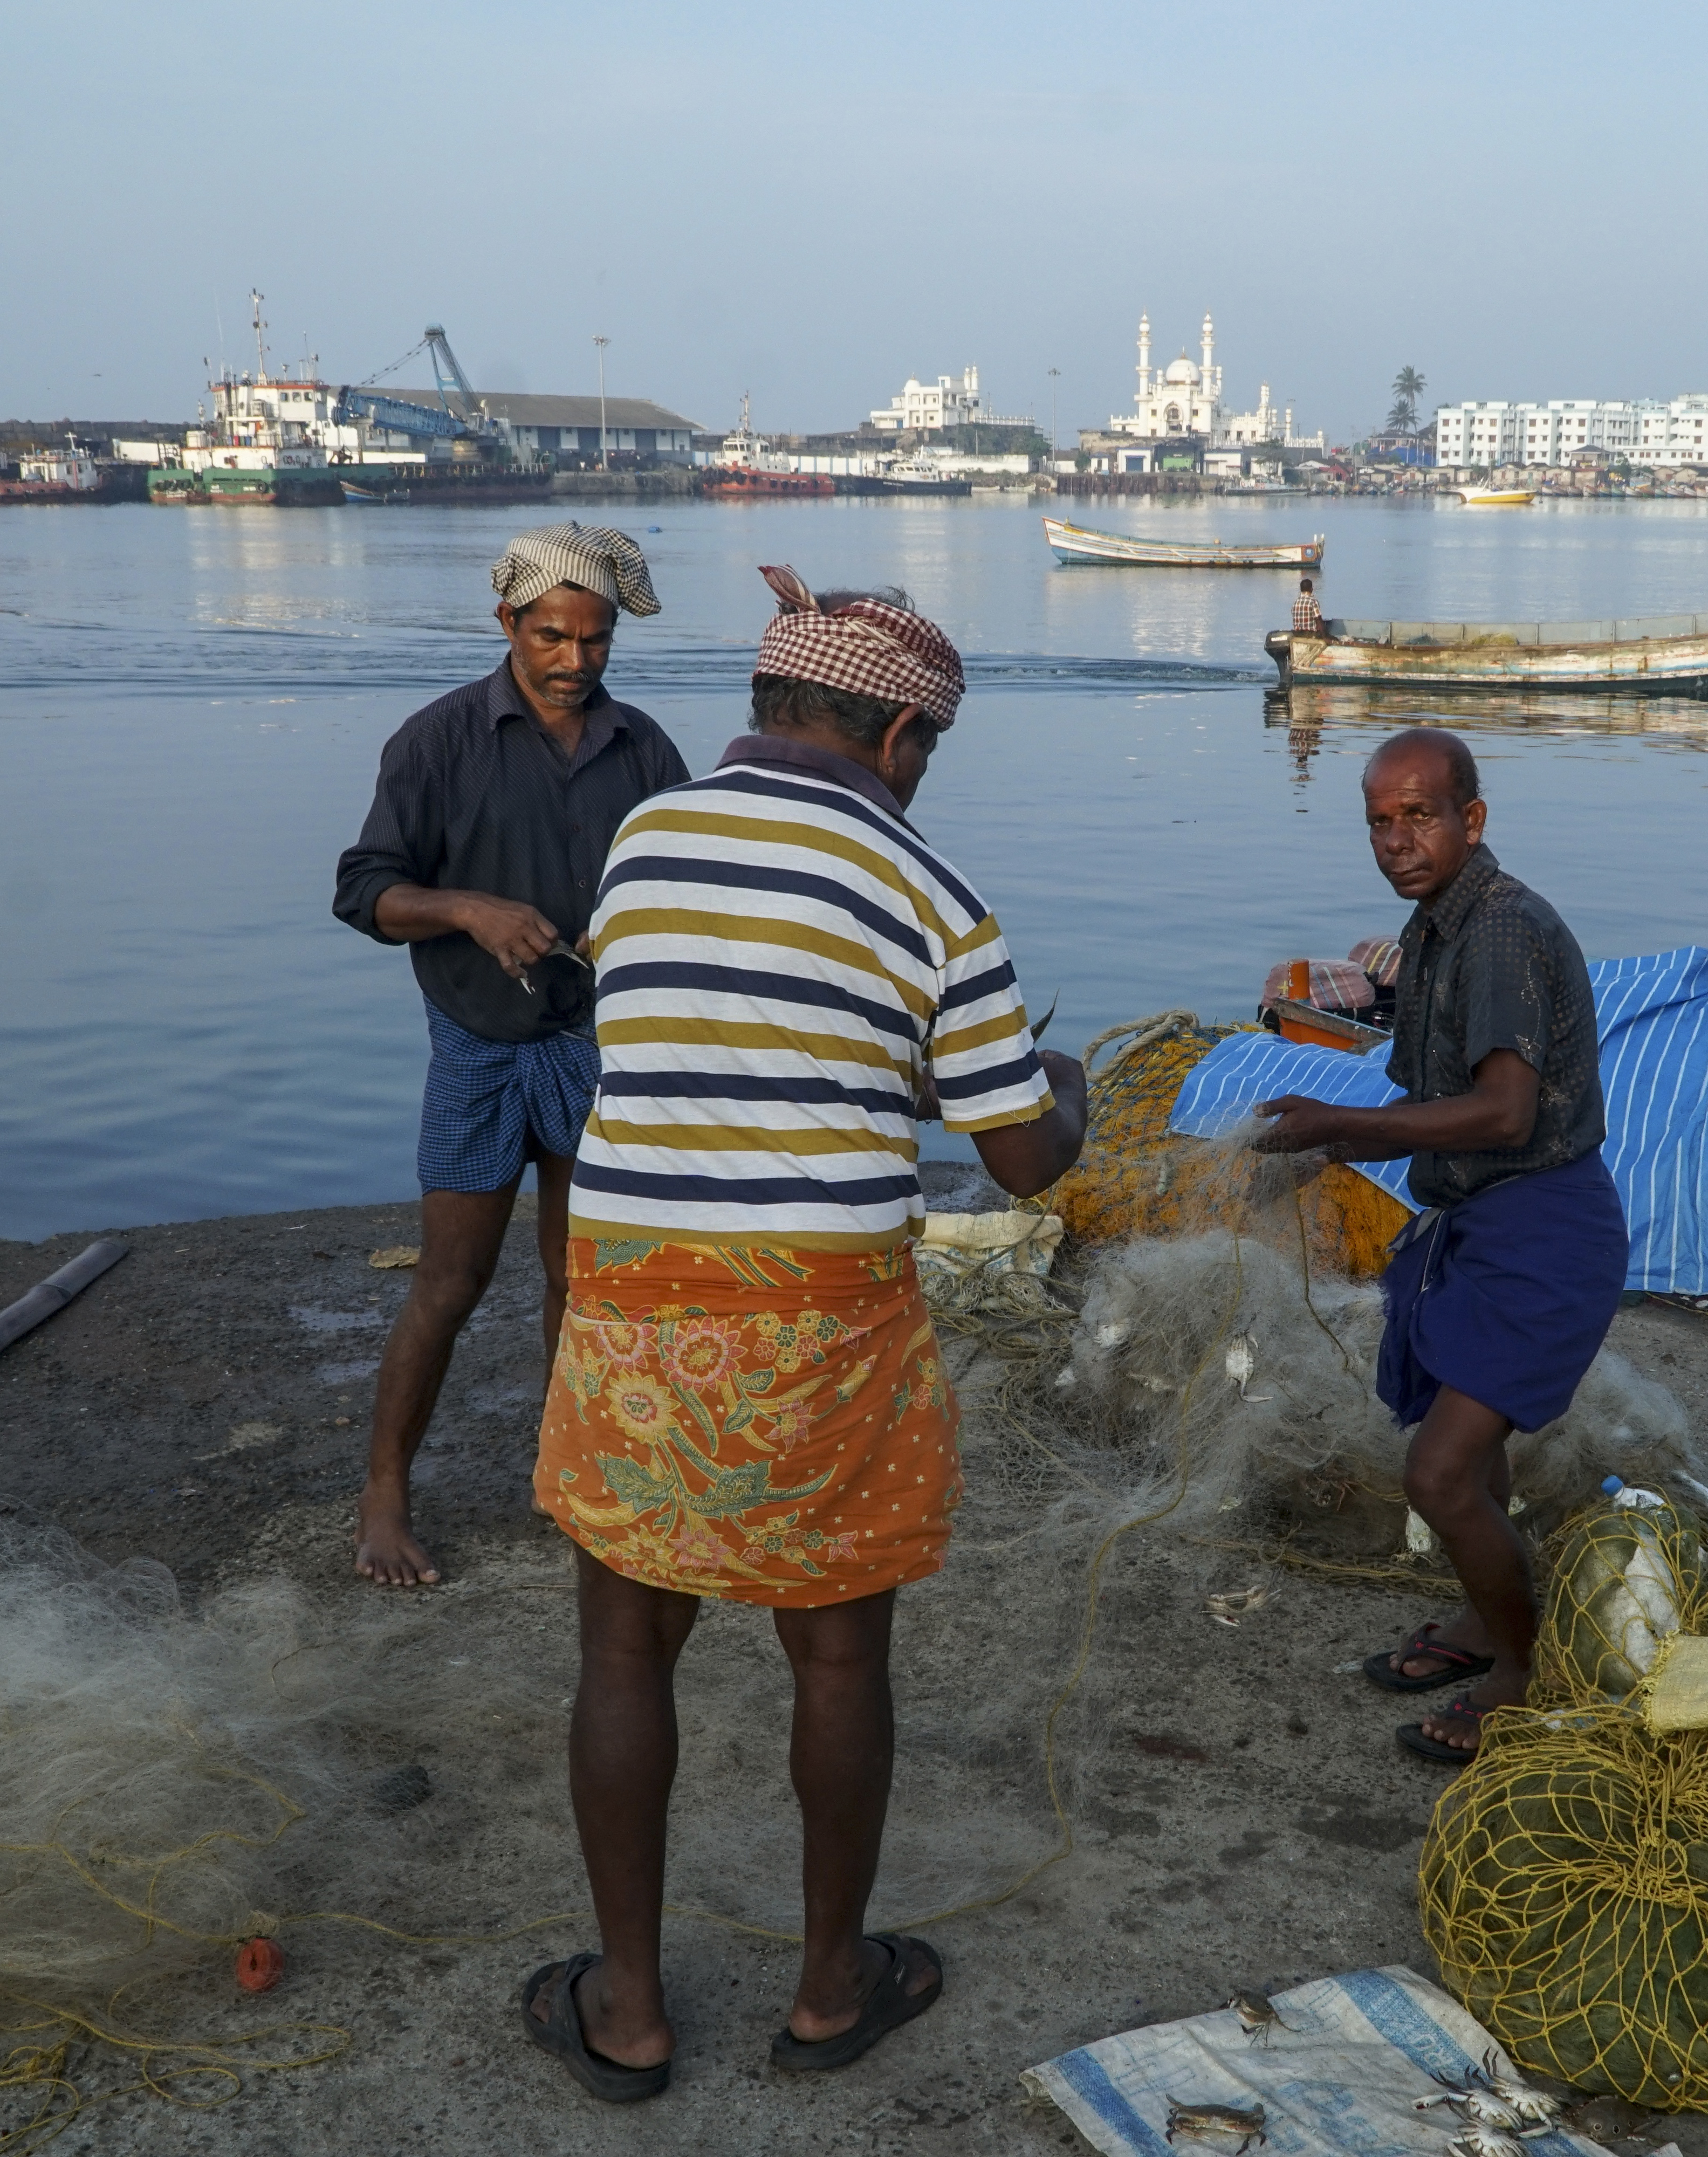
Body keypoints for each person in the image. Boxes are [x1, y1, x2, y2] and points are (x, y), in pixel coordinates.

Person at [514, 566, 1087, 2102]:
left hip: (633, 1294)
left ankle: (626, 2012)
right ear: (898, 734)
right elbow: (1021, 1158)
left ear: (769, 708)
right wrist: (1067, 1091)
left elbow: (693, 1032)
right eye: (925, 752)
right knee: (837, 1652)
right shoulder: (934, 895)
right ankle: (830, 1990)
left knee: (626, 1642)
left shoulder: (642, 841)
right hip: (821, 1315)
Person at [1252, 727, 1621, 1765]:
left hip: (1544, 1228)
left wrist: (1340, 1127)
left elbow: (1503, 1114)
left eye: (1420, 815)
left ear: (1473, 819)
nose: (1398, 839)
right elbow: (1432, 1095)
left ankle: (1520, 1668)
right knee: (1475, 1455)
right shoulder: (1433, 932)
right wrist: (1338, 1130)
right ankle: (1478, 1623)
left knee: (1440, 1475)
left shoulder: (1502, 932)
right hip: (1480, 1221)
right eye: (1379, 819)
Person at [330, 525, 687, 1588]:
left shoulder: (644, 750)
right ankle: (384, 1493)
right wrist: (470, 910)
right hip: (480, 1045)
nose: (574, 662)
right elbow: (364, 892)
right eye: (551, 637)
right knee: (449, 1280)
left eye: (595, 641)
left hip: (595, 1043)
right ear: (507, 626)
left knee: (581, 1282)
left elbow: (677, 886)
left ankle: (570, 1471)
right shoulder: (437, 741)